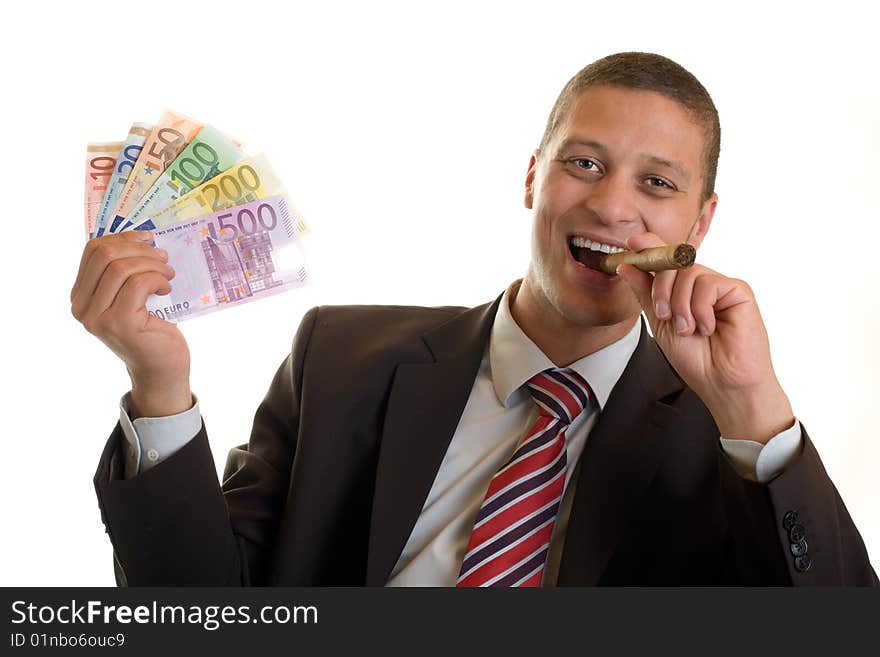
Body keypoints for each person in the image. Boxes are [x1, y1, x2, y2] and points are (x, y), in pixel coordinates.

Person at [72, 52, 877, 586]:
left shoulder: (735, 438)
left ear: (698, 227)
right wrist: (160, 387)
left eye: (657, 185)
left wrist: (756, 416)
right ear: (534, 177)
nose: (610, 204)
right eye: (584, 163)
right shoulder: (340, 358)